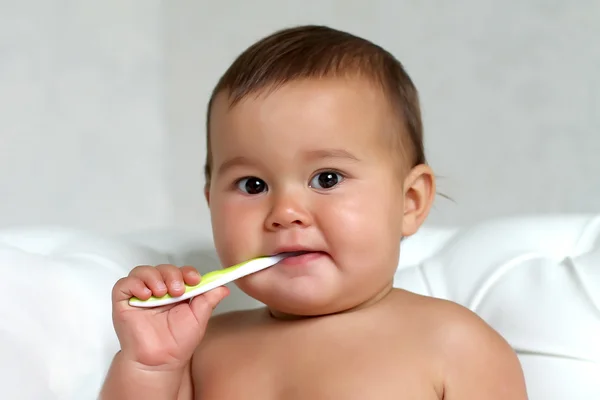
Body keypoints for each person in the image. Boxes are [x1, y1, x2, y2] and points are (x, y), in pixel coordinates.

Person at [101, 25, 528, 399]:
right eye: (253, 185)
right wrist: (150, 366)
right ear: (212, 202)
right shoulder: (199, 352)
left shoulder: (454, 345)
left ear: (410, 202)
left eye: (327, 179)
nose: (285, 212)